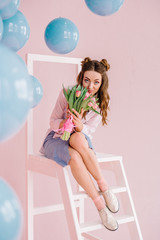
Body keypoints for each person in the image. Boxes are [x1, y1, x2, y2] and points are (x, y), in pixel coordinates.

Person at [40, 57, 119, 231]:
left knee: (77, 138)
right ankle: (100, 207)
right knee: (74, 157)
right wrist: (65, 122)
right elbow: (52, 121)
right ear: (81, 77)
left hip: (78, 139)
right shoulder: (68, 92)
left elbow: (89, 131)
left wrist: (80, 126)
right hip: (55, 139)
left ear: (102, 83)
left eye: (96, 82)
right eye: (87, 80)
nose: (90, 86)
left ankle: (104, 189)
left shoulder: (100, 102)